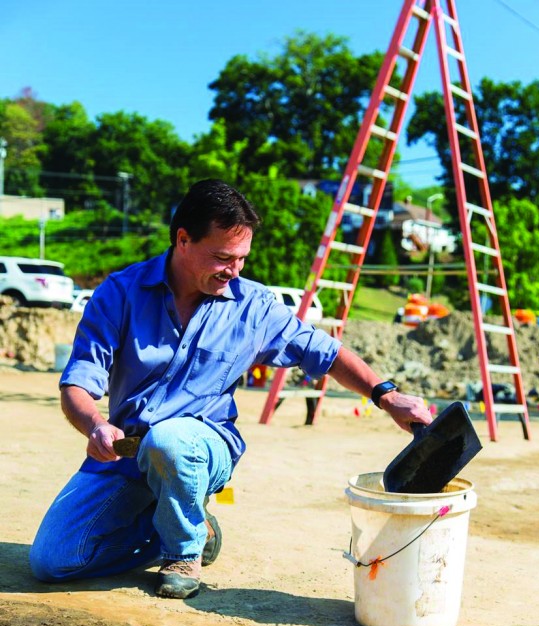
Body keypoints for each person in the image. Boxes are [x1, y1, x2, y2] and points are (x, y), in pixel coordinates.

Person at [30, 179, 432, 600]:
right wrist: (95, 425)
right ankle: (189, 527)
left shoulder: (253, 306)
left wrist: (387, 395)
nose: (234, 270)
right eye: (223, 257)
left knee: (170, 440)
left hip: (201, 449)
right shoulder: (120, 293)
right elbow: (78, 381)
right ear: (183, 240)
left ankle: (183, 554)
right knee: (54, 561)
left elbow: (325, 353)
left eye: (241, 258)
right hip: (127, 451)